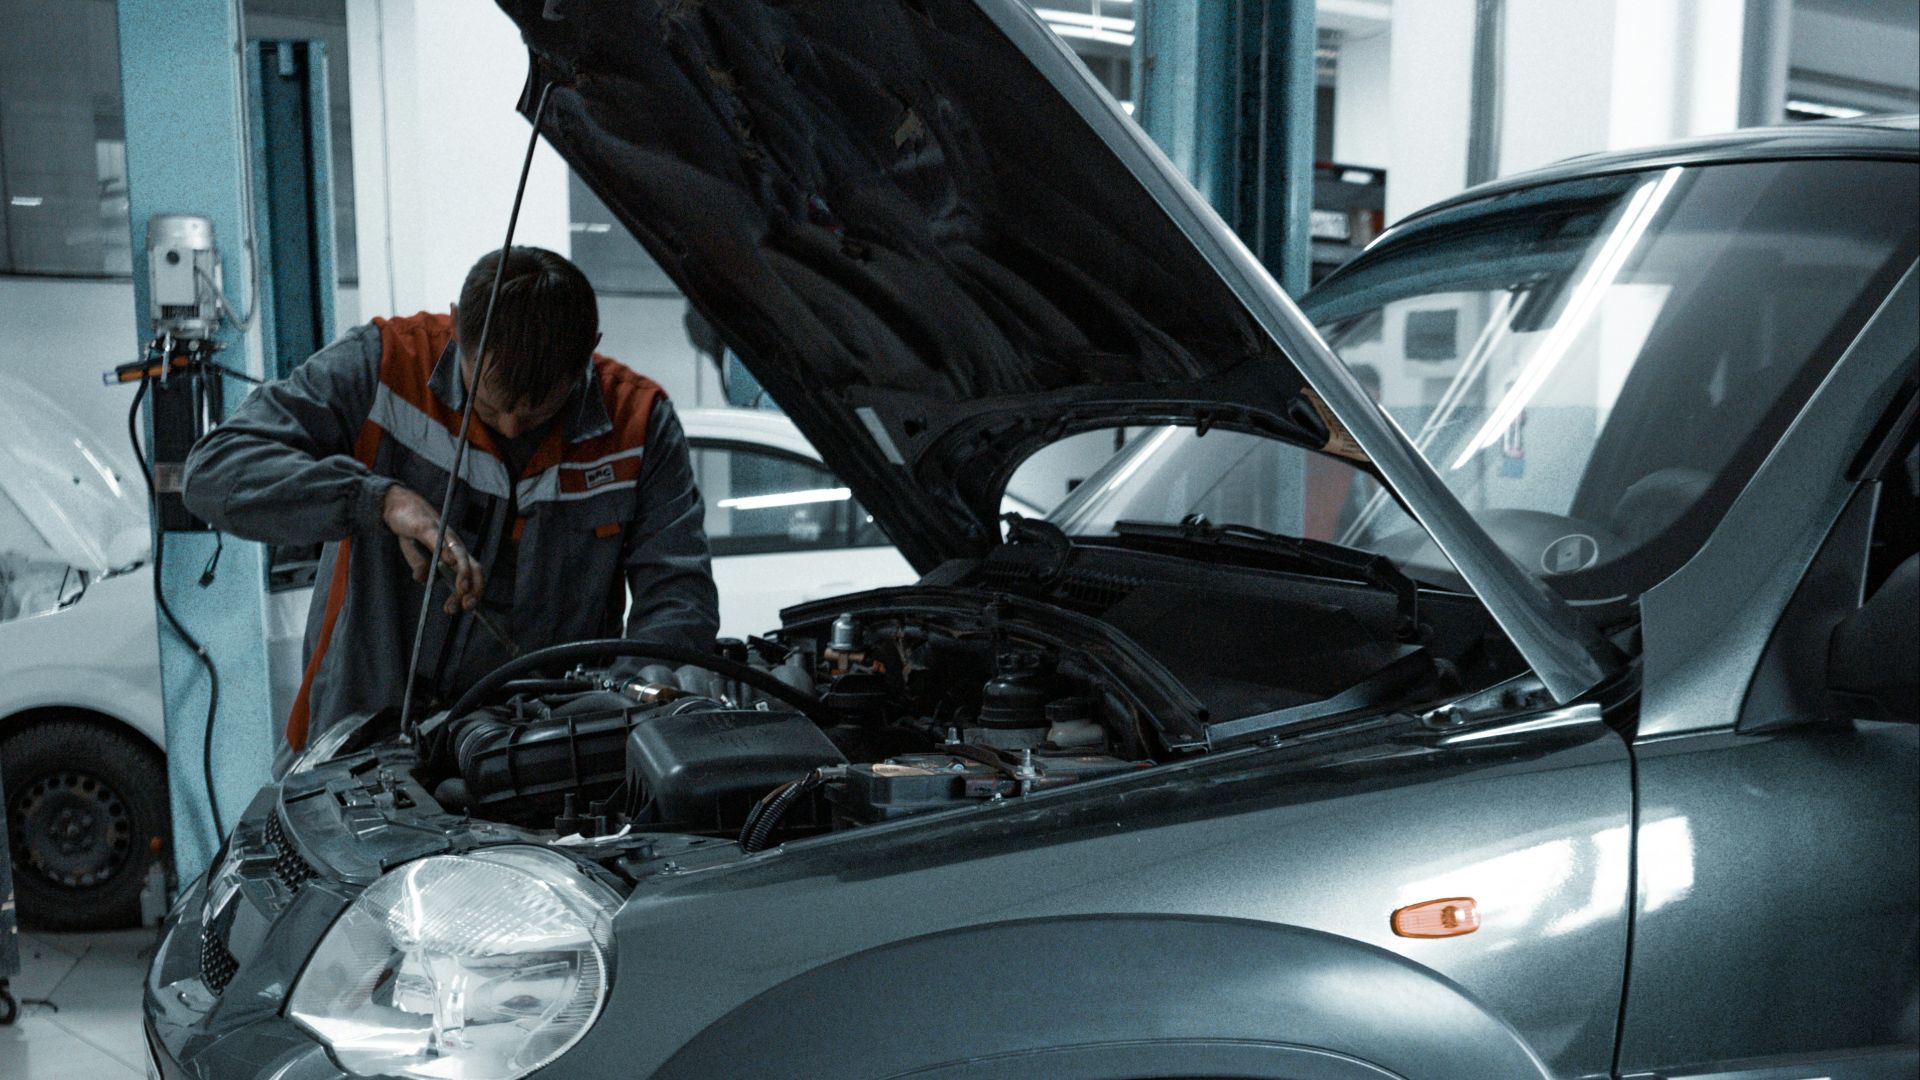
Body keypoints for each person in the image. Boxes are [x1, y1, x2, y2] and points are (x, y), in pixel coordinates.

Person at [183, 247, 719, 772]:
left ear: (590, 350)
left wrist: (640, 690)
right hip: (354, 751)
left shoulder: (638, 424)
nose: (510, 427)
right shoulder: (385, 367)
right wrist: (379, 500)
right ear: (459, 325)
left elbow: (676, 592)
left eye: (539, 412)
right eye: (490, 403)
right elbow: (215, 469)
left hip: (546, 759)